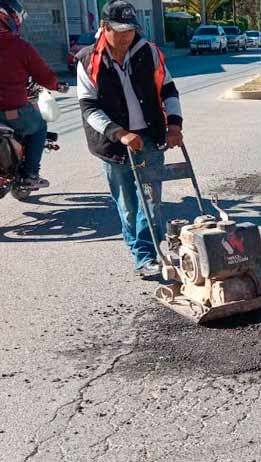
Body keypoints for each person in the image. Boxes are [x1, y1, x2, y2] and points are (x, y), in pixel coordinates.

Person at [76, 0, 183, 278]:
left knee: (151, 200)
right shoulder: (89, 60)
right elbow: (88, 107)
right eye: (120, 30)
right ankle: (141, 253)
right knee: (127, 205)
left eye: (131, 30)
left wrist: (174, 125)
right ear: (104, 27)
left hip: (148, 139)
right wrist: (119, 133)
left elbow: (169, 90)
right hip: (113, 146)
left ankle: (147, 255)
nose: (126, 36)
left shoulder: (149, 52)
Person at [0, 0, 59, 188]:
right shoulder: (19, 46)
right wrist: (56, 85)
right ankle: (30, 174)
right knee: (39, 126)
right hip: (11, 109)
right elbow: (45, 77)